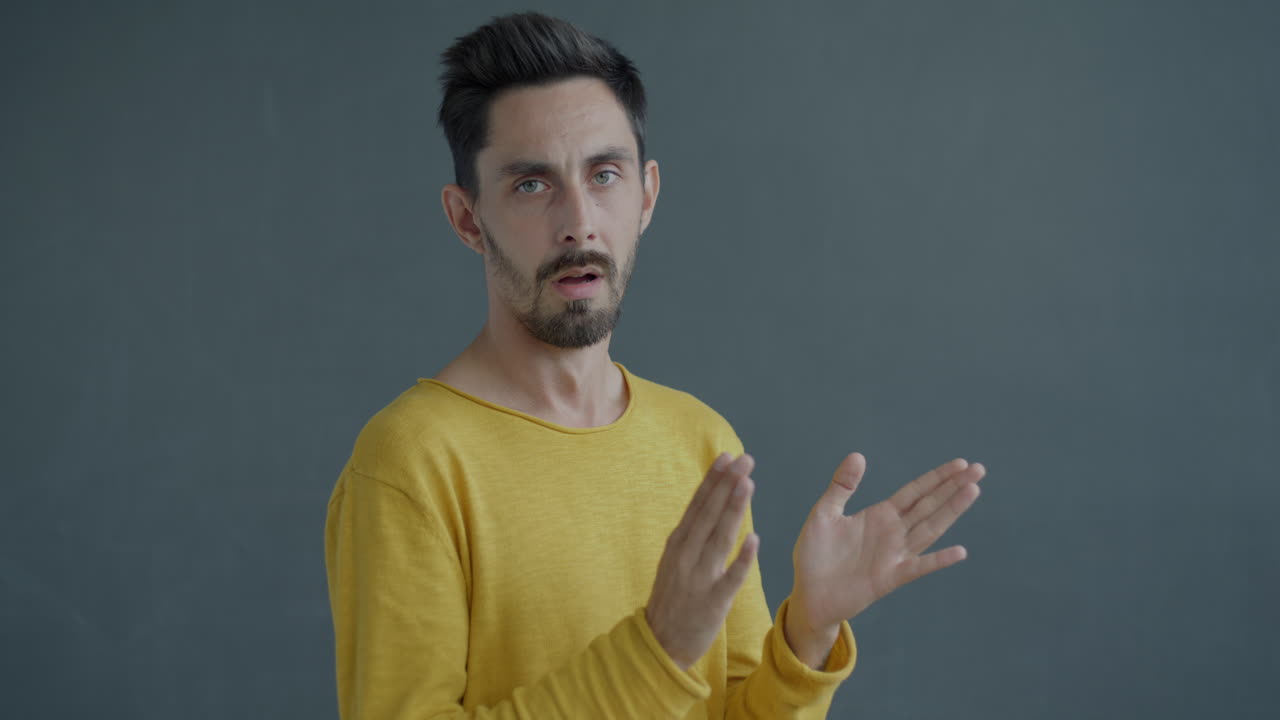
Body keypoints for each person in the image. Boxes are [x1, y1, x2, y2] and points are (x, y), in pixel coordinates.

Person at [324, 11, 985, 720]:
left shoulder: (701, 442)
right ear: (466, 218)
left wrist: (807, 636)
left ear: (645, 196)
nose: (578, 220)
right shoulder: (411, 463)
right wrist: (655, 650)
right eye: (531, 185)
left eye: (604, 174)